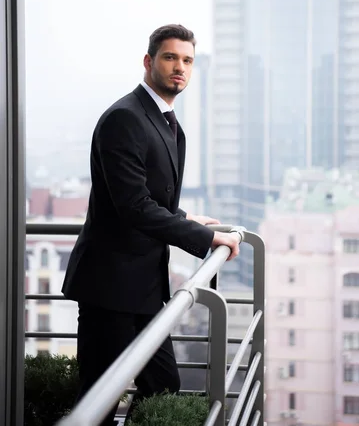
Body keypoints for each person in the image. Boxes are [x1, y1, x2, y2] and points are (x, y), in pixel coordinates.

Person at [62, 24, 240, 425]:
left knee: (162, 385)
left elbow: (149, 199)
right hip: (110, 287)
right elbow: (134, 207)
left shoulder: (164, 119)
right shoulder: (125, 118)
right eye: (170, 57)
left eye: (187, 60)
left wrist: (184, 217)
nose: (180, 67)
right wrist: (208, 237)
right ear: (149, 61)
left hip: (143, 286)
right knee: (98, 398)